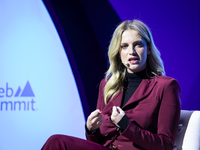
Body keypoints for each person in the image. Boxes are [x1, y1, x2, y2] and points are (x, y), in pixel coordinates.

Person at [41, 20, 181, 150]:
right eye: (124, 46)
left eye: (138, 44)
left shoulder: (166, 86)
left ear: (148, 49)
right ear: (118, 52)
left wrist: (126, 125)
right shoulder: (108, 85)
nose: (132, 52)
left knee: (57, 142)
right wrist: (92, 130)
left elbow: (165, 145)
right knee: (56, 142)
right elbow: (97, 142)